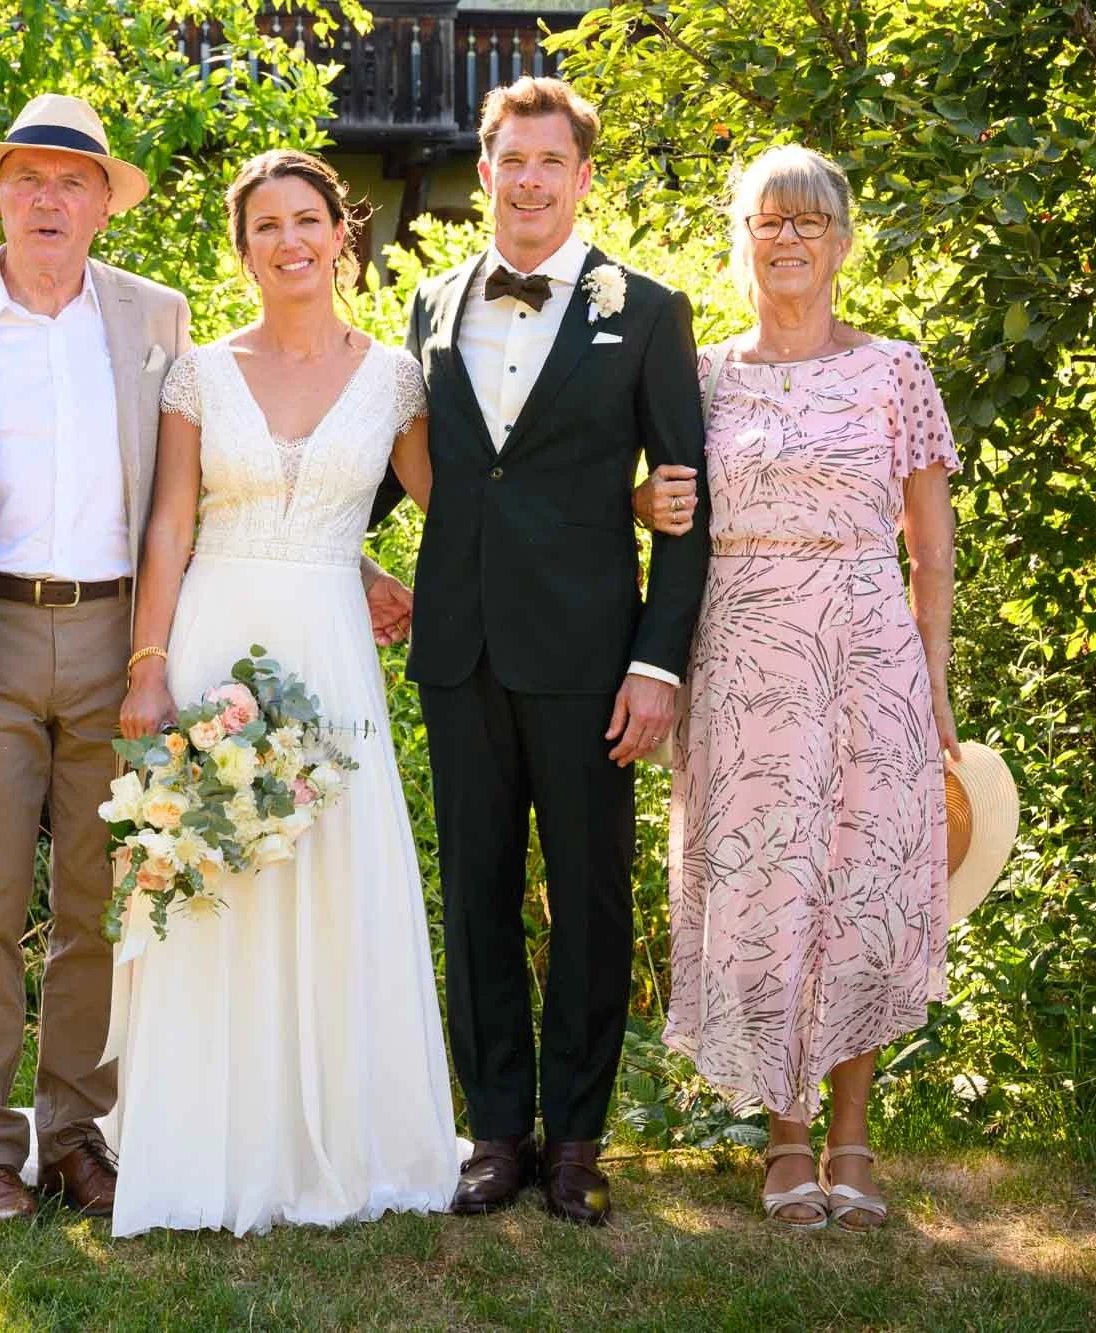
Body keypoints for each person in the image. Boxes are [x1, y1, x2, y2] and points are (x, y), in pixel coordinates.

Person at [0, 96, 410, 1225]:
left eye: (74, 182)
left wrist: (343, 566)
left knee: (102, 904)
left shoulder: (154, 320)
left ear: (107, 203)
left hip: (127, 639)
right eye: (29, 179)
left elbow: (212, 489)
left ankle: (74, 1134)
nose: (49, 200)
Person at [105, 150, 456, 1237]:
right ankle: (206, 1137)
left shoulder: (397, 379)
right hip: (217, 636)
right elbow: (172, 523)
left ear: (341, 235)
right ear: (242, 246)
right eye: (266, 225)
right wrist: (149, 661)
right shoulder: (199, 373)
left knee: (332, 871)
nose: (290, 240)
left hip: (334, 650)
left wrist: (372, 570)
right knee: (211, 867)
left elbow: (458, 513)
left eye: (308, 219)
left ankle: (337, 1134)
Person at [381, 77, 711, 1226]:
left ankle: (576, 1138)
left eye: (548, 162)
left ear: (580, 177)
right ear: (482, 173)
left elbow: (686, 498)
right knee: (472, 893)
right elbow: (387, 462)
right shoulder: (425, 304)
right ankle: (494, 1133)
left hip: (588, 654)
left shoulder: (650, 311)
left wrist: (657, 664)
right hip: (458, 645)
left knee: (587, 899)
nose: (527, 181)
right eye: (508, 160)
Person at [646, 144, 960, 1233]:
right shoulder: (701, 378)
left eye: (809, 222)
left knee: (860, 888)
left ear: (840, 243)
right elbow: (664, 507)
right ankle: (783, 1138)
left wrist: (935, 685)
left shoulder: (893, 371)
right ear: (741, 242)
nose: (787, 238)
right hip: (739, 660)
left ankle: (854, 1137)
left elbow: (930, 548)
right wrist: (649, 504)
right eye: (767, 222)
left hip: (867, 656)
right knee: (762, 891)